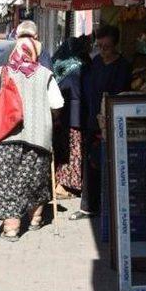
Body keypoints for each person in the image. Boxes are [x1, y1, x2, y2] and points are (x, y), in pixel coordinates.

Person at [0, 20, 64, 241]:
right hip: (39, 137)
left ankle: (11, 229)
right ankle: (36, 219)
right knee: (35, 180)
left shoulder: (2, 73)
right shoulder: (45, 74)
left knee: (7, 181)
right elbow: (58, 105)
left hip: (8, 135)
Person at [70, 25, 132, 221]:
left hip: (113, 122)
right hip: (92, 122)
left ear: (115, 45)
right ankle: (89, 207)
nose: (103, 50)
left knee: (113, 165)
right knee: (91, 164)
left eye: (107, 47)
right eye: (100, 46)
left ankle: (112, 207)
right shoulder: (96, 62)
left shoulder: (123, 66)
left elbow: (120, 93)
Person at [51, 36, 91, 199]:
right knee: (75, 150)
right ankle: (70, 185)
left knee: (65, 150)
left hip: (62, 115)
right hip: (78, 115)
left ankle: (62, 183)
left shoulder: (58, 66)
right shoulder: (83, 66)